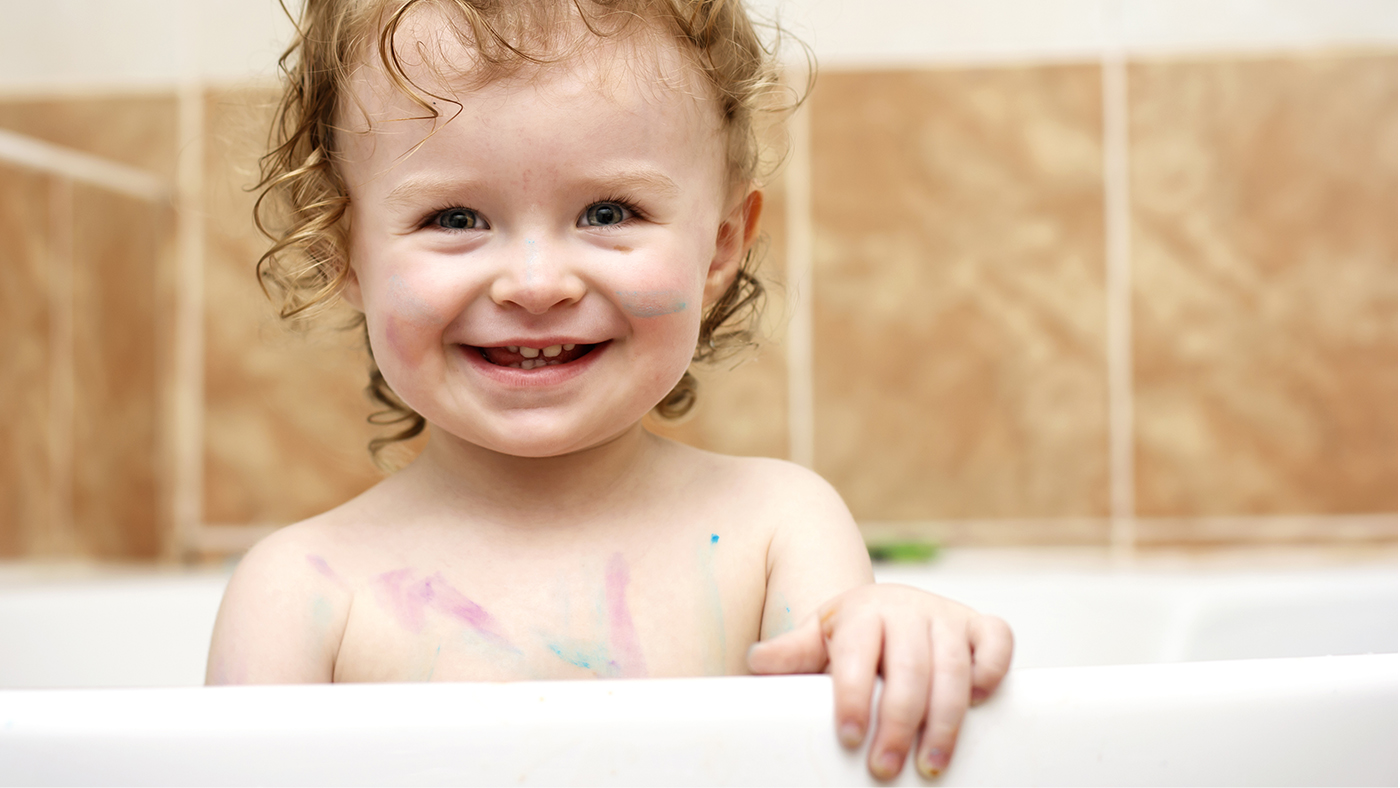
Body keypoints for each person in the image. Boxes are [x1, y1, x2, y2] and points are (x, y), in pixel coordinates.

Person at [206, 0, 1013, 779]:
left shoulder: (778, 534)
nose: (535, 283)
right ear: (346, 256)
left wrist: (894, 639)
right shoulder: (301, 592)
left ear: (721, 244)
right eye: (454, 219)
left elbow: (847, 747)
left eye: (606, 211)